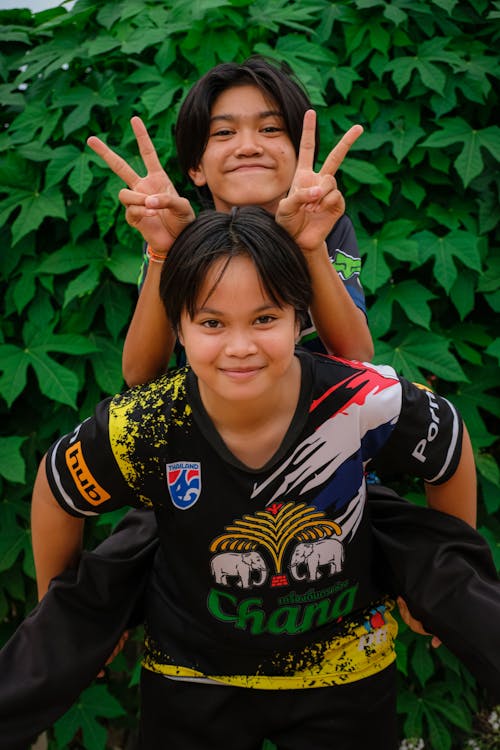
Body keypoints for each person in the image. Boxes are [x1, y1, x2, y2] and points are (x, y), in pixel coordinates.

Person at [31, 206, 477, 749]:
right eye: (212, 322)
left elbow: (449, 447)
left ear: (299, 318)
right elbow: (58, 491)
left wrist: (443, 573)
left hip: (345, 668)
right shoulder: (143, 422)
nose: (239, 346)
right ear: (178, 327)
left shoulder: (362, 400)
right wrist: (67, 615)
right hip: (191, 671)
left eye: (264, 319)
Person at [86, 56, 374, 386]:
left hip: (320, 418)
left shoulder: (327, 230)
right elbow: (140, 374)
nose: (249, 147)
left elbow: (356, 357)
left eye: (270, 129)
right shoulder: (176, 237)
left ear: (299, 155)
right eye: (224, 132)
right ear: (195, 166)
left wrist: (311, 249)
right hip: (206, 421)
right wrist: (165, 252)